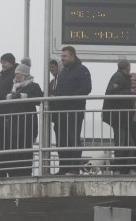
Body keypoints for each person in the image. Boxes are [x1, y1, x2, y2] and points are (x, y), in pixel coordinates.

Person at [52, 46, 92, 175]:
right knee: (61, 141)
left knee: (73, 139)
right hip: (60, 113)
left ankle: (74, 168)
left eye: (65, 56)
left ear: (72, 56)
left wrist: (69, 99)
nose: (62, 58)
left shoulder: (82, 70)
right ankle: (64, 167)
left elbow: (86, 88)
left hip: (74, 111)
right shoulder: (63, 72)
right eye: (62, 56)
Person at [4, 57, 43, 177]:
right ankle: (13, 171)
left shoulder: (34, 86)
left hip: (27, 124)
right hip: (14, 125)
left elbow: (39, 99)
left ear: (25, 75)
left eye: (19, 74)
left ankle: (25, 171)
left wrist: (25, 97)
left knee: (25, 148)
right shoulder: (15, 88)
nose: (16, 77)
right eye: (16, 74)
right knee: (13, 148)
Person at [102, 59, 136, 175]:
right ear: (128, 67)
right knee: (122, 142)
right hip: (119, 117)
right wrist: (129, 92)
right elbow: (111, 94)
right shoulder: (118, 77)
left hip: (123, 117)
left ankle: (128, 168)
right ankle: (119, 168)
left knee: (128, 142)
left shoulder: (121, 77)